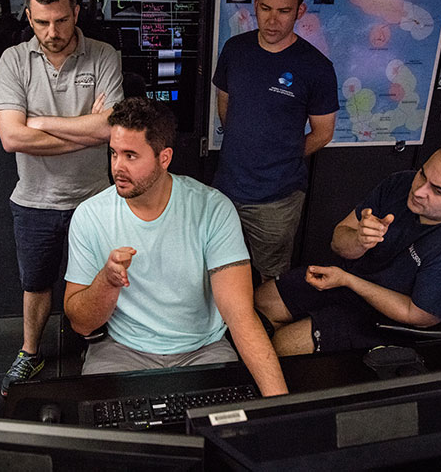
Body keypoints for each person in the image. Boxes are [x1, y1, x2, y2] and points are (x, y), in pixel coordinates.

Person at [64, 98, 288, 397]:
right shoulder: (90, 215)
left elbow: (240, 316)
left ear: (164, 157)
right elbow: (80, 323)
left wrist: (280, 405)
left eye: (131, 156)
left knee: (226, 435)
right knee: (113, 438)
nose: (118, 166)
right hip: (121, 350)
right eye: (114, 153)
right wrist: (106, 281)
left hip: (203, 349)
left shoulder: (212, 209)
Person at [0, 0, 123, 393]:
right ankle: (30, 352)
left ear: (76, 12)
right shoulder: (13, 60)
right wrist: (84, 130)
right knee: (35, 284)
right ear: (28, 18)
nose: (53, 31)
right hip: (33, 200)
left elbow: (110, 131)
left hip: (95, 198)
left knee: (99, 278)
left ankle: (98, 343)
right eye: (42, 22)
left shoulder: (103, 54)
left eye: (62, 21)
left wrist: (44, 122)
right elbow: (12, 137)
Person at [255, 138, 441, 355]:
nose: (419, 191)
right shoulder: (401, 184)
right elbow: (338, 242)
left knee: (284, 345)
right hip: (348, 282)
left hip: (387, 318)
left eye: (438, 190)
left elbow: (420, 316)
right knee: (260, 302)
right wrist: (359, 240)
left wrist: (349, 281)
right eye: (423, 174)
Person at [212, 0, 339, 282]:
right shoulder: (235, 50)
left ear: (300, 11)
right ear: (255, 4)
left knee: (271, 275)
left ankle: (265, 329)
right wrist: (245, 144)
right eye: (266, 8)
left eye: (284, 11)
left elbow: (323, 133)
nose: (272, 19)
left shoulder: (317, 67)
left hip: (277, 198)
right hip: (226, 187)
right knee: (216, 266)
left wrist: (282, 156)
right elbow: (224, 103)